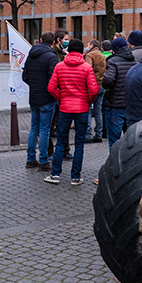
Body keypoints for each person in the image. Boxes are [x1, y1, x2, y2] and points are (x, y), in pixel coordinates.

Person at [44, 39, 98, 186]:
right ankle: (75, 177)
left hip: (65, 108)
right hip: (82, 108)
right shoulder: (87, 68)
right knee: (79, 143)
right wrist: (88, 101)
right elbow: (94, 89)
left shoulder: (59, 66)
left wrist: (61, 97)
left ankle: (55, 174)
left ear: (68, 50)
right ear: (82, 51)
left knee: (61, 142)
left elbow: (51, 87)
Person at [22, 32, 58, 170]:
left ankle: (30, 158)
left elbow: (25, 76)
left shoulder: (31, 55)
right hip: (47, 97)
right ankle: (43, 160)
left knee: (34, 128)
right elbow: (53, 79)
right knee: (44, 130)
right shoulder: (51, 56)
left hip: (34, 96)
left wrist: (35, 85)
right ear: (53, 42)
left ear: (41, 40)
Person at [101, 37, 134, 149]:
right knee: (130, 141)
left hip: (115, 105)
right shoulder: (134, 60)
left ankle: (114, 165)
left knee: (114, 141)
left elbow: (108, 81)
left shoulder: (113, 61)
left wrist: (103, 80)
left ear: (114, 50)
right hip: (130, 105)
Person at [84, 39, 107, 142]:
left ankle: (88, 134)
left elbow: (87, 70)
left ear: (92, 45)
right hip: (102, 85)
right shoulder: (102, 56)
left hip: (92, 86)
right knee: (98, 111)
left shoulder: (89, 55)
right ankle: (99, 134)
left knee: (88, 109)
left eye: (88, 44)